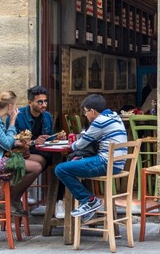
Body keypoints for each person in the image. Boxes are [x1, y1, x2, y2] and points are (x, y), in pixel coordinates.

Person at [54, 94, 128, 223]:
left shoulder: (100, 121)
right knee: (74, 162)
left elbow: (82, 143)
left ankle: (89, 201)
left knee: (61, 169)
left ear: (92, 111)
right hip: (117, 164)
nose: (85, 115)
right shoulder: (114, 117)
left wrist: (70, 146)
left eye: (86, 112)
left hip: (105, 163)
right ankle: (88, 208)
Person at [15, 85, 67, 218]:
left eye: (45, 101)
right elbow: (12, 142)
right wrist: (33, 141)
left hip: (41, 150)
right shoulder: (18, 116)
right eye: (40, 102)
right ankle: (28, 186)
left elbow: (48, 138)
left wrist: (56, 137)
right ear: (30, 102)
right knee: (44, 160)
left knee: (62, 162)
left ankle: (59, 201)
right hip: (23, 152)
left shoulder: (47, 116)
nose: (44, 105)